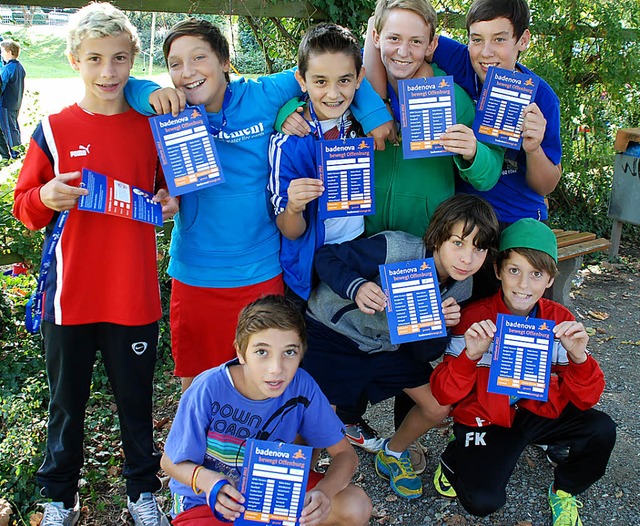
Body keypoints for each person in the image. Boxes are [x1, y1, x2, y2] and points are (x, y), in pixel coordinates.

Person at [126, 18, 393, 392]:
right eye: (175, 64)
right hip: (196, 272)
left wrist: (375, 116)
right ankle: (196, 451)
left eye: (199, 57)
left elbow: (330, 70)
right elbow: (121, 83)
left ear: (224, 61)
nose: (188, 72)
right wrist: (146, 94)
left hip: (260, 269)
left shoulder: (263, 94)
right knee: (197, 384)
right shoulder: (173, 113)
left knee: (262, 381)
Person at [12, 4, 176, 525]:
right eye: (95, 59)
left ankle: (141, 493)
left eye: (120, 59)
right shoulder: (54, 129)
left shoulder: (153, 125)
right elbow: (24, 206)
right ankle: (60, 497)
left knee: (135, 401)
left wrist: (171, 201)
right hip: (70, 294)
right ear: (74, 61)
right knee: (66, 405)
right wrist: (47, 197)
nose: (108, 72)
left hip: (133, 295)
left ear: (134, 61)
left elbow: (170, 190)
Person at [302, 194, 500, 499]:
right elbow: (326, 257)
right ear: (437, 238)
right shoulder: (395, 248)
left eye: (478, 249)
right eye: (458, 243)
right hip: (334, 335)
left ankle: (392, 453)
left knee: (438, 406)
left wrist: (439, 327)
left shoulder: (463, 286)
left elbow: (423, 354)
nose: (467, 258)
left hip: (384, 348)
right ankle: (304, 480)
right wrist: (356, 286)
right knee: (318, 421)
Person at [430, 219, 616, 525]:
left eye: (536, 274)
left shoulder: (559, 321)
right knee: (481, 501)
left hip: (536, 410)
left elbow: (586, 400)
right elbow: (443, 393)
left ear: (550, 279)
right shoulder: (474, 319)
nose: (523, 285)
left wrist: (579, 358)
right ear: (499, 270)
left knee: (602, 429)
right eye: (514, 270)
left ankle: (565, 489)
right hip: (488, 416)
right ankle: (453, 459)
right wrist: (470, 356)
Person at [161, 294, 372, 526]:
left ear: (301, 353)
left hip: (274, 492)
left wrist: (323, 493)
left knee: (355, 505)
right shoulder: (207, 388)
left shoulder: (302, 386)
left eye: (289, 352)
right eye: (262, 352)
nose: (276, 369)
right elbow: (169, 462)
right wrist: (208, 480)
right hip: (208, 500)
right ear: (241, 353)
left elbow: (346, 456)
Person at [431, 0, 562, 227]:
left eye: (499, 39)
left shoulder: (542, 97)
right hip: (464, 218)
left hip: (518, 218)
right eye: (477, 39)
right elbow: (399, 43)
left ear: (523, 40)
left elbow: (546, 186)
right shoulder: (460, 60)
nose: (486, 52)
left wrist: (533, 149)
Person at [268, 23, 368, 305]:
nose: (333, 94)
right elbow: (289, 229)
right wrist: (294, 206)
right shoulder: (287, 143)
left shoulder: (362, 124)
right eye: (321, 82)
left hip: (356, 251)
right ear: (302, 80)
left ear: (359, 78)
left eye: (344, 81)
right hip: (308, 267)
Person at [0, 38, 25, 158]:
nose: (1, 54)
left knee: (8, 128)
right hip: (16, 102)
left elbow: (2, 85)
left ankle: (14, 152)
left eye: (2, 51)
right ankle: (19, 148)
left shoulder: (8, 69)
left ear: (9, 52)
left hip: (6, 103)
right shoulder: (20, 67)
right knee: (14, 126)